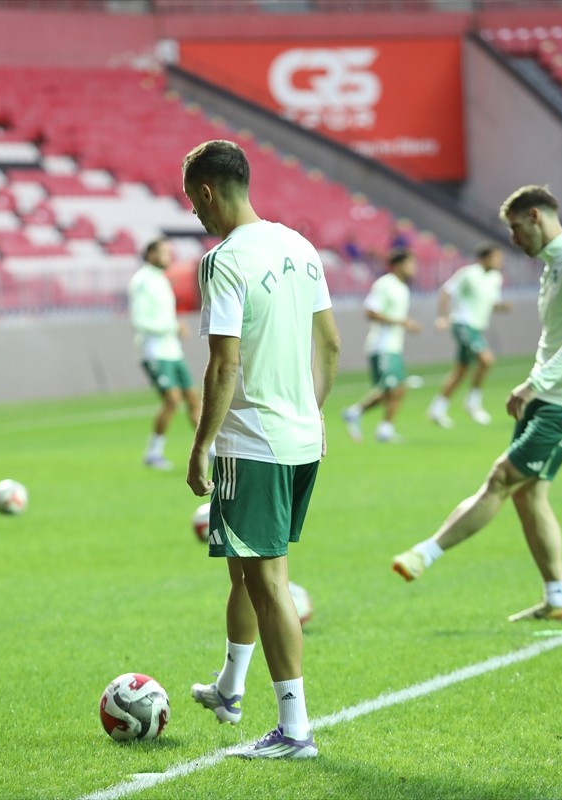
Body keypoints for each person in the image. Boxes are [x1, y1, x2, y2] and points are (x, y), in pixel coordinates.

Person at [183, 139, 341, 760]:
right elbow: (329, 348)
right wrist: (312, 410)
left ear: (205, 194)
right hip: (302, 437)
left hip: (253, 443)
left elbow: (224, 366)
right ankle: (229, 688)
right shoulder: (299, 246)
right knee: (245, 567)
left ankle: (295, 730)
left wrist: (201, 447)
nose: (196, 214)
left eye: (193, 203)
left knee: (268, 577)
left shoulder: (223, 261)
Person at [391, 185, 562, 622]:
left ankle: (424, 554)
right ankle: (559, 598)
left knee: (500, 479)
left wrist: (535, 382)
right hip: (548, 398)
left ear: (535, 216)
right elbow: (556, 337)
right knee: (528, 496)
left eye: (514, 229)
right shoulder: (553, 267)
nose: (512, 240)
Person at [127, 237, 204, 471]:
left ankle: (207, 450)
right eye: (163, 252)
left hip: (172, 350)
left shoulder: (161, 279)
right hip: (154, 351)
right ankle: (153, 453)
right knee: (172, 400)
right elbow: (139, 321)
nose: (169, 256)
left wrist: (174, 326)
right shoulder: (142, 281)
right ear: (150, 255)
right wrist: (173, 326)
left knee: (192, 399)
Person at [426, 244, 512, 428]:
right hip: (463, 324)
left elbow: (491, 303)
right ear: (484, 258)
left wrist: (502, 307)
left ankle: (437, 408)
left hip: (477, 327)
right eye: (496, 257)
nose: (499, 262)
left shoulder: (496, 278)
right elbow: (445, 291)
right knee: (486, 360)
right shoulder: (468, 273)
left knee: (460, 372)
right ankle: (473, 403)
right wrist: (442, 317)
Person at [341, 249, 421, 443]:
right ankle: (383, 430)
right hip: (382, 345)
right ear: (398, 265)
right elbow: (370, 312)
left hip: (394, 346)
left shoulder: (402, 288)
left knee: (397, 388)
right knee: (393, 388)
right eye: (410, 263)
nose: (414, 268)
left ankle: (358, 414)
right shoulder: (385, 285)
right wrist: (401, 322)